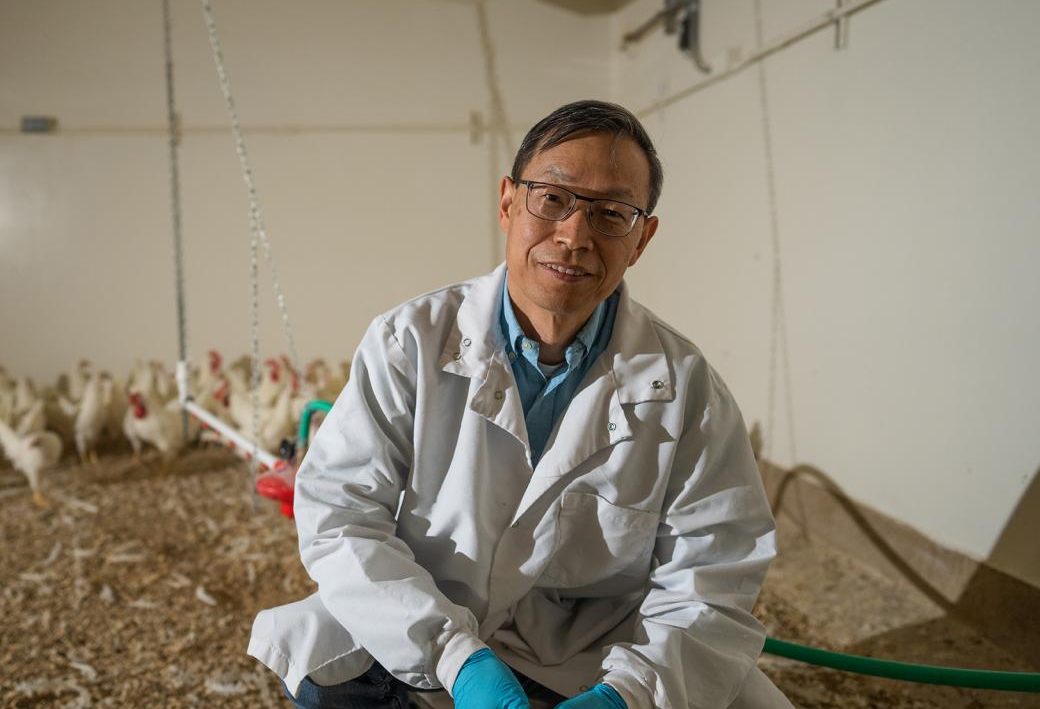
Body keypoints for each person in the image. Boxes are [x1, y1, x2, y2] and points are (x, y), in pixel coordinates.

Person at [248, 100, 791, 709]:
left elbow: (714, 574)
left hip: (594, 654)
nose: (575, 235)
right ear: (508, 203)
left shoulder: (685, 388)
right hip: (427, 623)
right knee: (327, 671)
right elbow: (340, 515)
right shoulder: (412, 342)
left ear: (641, 238)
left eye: (612, 213)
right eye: (552, 199)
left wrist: (628, 695)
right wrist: (459, 659)